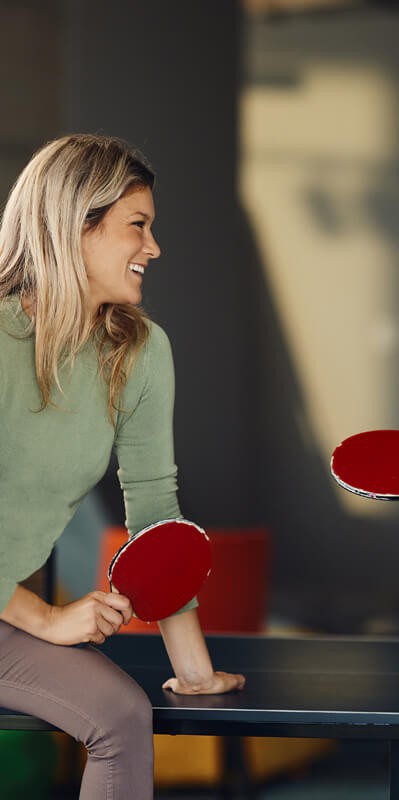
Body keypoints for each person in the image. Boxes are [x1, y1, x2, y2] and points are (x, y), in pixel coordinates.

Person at [0, 134, 245, 799]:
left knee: (120, 714)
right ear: (77, 224)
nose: (154, 247)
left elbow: (157, 517)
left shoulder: (139, 353)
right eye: (138, 226)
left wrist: (193, 672)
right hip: (20, 615)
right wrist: (47, 620)